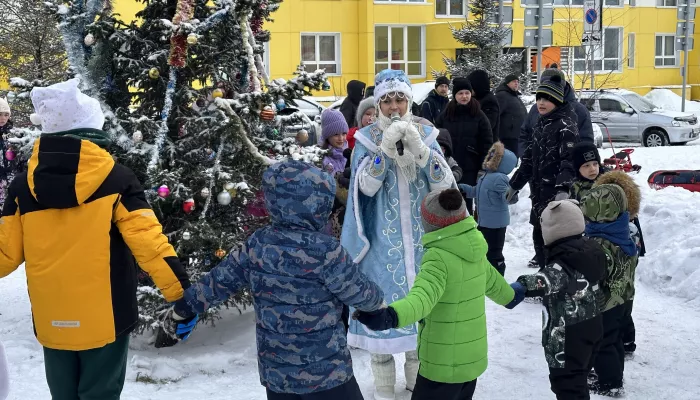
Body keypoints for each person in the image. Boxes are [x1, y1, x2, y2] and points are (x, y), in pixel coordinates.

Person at [0, 79, 191, 399]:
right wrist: (183, 294)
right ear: (93, 130)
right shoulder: (116, 179)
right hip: (106, 320)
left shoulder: (23, 187)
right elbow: (150, 244)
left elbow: (4, 255)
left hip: (51, 320)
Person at [161, 161, 385, 400]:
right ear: (318, 204)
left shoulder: (258, 245)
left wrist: (184, 308)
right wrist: (379, 302)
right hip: (326, 372)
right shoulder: (326, 251)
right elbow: (362, 294)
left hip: (278, 374)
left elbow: (219, 281)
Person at [341, 69, 456, 400]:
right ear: (378, 104)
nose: (394, 107)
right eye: (387, 100)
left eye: (400, 99)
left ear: (409, 101)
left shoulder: (428, 134)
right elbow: (363, 187)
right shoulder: (365, 138)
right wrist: (384, 153)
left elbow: (446, 187)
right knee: (381, 312)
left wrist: (422, 152)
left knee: (420, 316)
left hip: (423, 243)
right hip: (380, 246)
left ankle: (416, 384)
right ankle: (383, 389)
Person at [355, 188, 521, 400]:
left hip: (442, 367)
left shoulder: (438, 258)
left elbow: (421, 299)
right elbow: (501, 290)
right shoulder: (476, 250)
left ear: (429, 224)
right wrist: (515, 294)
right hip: (471, 362)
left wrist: (390, 316)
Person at [514, 200, 606, 400]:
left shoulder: (563, 263)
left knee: (567, 385)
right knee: (579, 376)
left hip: (568, 334)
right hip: (593, 325)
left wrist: (520, 286)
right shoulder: (592, 250)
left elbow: (544, 280)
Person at [506, 75, 579, 270]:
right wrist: (515, 184)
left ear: (556, 101)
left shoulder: (566, 125)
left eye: (546, 99)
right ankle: (545, 279)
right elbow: (529, 159)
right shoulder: (541, 124)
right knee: (539, 237)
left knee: (555, 242)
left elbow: (569, 161)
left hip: (555, 196)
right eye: (538, 98)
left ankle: (558, 286)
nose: (541, 103)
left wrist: (563, 189)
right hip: (539, 193)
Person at [580, 184, 639, 398]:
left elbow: (595, 272)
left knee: (603, 342)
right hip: (624, 298)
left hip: (606, 302)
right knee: (614, 340)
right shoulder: (623, 232)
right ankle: (614, 377)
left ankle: (609, 383)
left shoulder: (600, 241)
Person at [459, 142, 518, 276]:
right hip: (484, 222)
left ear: (501, 162)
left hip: (496, 224)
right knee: (484, 251)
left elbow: (507, 197)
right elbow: (476, 191)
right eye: (490, 155)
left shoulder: (500, 178)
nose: (490, 158)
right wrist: (463, 188)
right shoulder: (485, 176)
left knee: (495, 253)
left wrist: (511, 194)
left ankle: (499, 276)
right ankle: (488, 276)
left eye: (494, 156)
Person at [435, 77, 492, 215]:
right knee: (448, 202)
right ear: (455, 95)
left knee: (466, 203)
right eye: (460, 93)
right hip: (450, 166)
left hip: (471, 167)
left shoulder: (479, 114)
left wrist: (483, 168)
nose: (464, 96)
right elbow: (436, 137)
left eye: (467, 93)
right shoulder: (446, 114)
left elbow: (487, 143)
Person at [519, 69, 594, 156]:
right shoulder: (536, 109)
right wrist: (527, 157)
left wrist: (571, 162)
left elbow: (586, 142)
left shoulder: (579, 111)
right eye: (545, 85)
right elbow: (524, 135)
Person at [494, 74, 527, 157]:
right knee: (509, 161)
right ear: (507, 83)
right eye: (513, 81)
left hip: (517, 135)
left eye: (517, 82)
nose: (516, 83)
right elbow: (495, 114)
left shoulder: (514, 96)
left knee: (514, 160)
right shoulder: (502, 96)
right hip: (507, 136)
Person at [467, 70, 499, 140]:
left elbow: (487, 125)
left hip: (485, 145)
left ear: (477, 86)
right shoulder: (474, 98)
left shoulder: (489, 101)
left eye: (470, 87)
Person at [0, 98, 17, 206]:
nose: (3, 118)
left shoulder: (13, 134)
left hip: (11, 181)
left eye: (6, 114)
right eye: (0, 114)